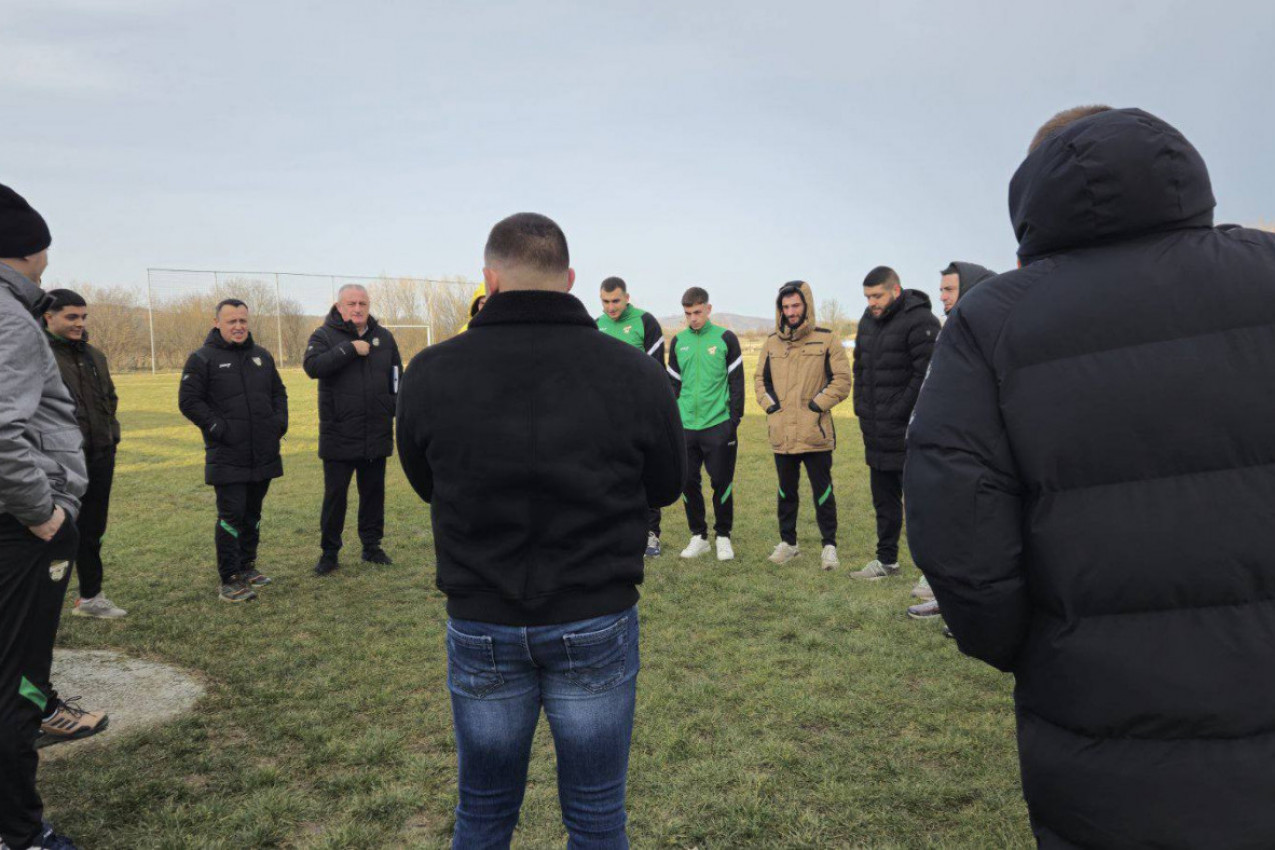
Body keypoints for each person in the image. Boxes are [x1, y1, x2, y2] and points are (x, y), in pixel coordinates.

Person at [905, 106, 1275, 849]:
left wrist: (1020, 643)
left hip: (1095, 705)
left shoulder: (992, 320)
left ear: (1033, 187)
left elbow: (956, 525)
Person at [397, 212, 685, 848]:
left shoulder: (430, 371)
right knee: (596, 815)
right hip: (593, 611)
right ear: (571, 280)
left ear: (490, 279)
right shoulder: (633, 372)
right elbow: (666, 483)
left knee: (483, 812)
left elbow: (425, 481)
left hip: (485, 614)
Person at [0, 182, 89, 850]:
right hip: (20, 530)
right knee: (20, 682)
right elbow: (4, 432)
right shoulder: (9, 319)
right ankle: (19, 832)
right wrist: (44, 514)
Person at [178, 299, 288, 603]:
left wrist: (278, 424)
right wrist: (218, 428)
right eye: (231, 321)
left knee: (253, 512)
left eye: (242, 321)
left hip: (262, 450)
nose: (238, 326)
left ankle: (247, 565)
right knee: (231, 514)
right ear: (217, 323)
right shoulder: (202, 358)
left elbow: (279, 393)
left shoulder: (262, 356)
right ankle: (229, 578)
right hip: (227, 453)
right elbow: (189, 401)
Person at [908, 261, 996, 618]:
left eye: (949, 289)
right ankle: (950, 602)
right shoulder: (953, 330)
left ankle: (973, 609)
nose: (941, 296)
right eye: (941, 289)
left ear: (971, 289)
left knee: (978, 535)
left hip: (976, 451)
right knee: (950, 532)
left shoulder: (989, 331)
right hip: (947, 448)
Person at [303, 284, 402, 576]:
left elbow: (397, 377)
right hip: (339, 434)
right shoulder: (323, 335)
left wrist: (392, 406)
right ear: (339, 306)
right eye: (351, 303)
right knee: (336, 497)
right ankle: (329, 552)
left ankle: (372, 546)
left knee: (373, 494)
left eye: (363, 303)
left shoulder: (384, 338)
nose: (358, 309)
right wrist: (349, 349)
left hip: (376, 431)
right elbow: (312, 366)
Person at [41, 290, 126, 620]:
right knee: (53, 531)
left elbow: (110, 399)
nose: (79, 323)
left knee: (93, 530)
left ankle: (90, 596)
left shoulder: (95, 356)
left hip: (100, 455)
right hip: (58, 462)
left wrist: (111, 436)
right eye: (71, 317)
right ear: (49, 317)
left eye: (83, 317)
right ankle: (39, 603)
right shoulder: (38, 354)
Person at [849, 266, 939, 581]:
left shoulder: (921, 321)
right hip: (876, 431)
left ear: (895, 291)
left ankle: (932, 572)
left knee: (921, 506)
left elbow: (926, 375)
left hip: (908, 432)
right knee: (883, 503)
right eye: (867, 297)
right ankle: (886, 561)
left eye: (877, 296)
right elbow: (859, 367)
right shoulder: (867, 320)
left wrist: (900, 409)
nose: (871, 302)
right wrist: (860, 406)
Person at [754, 281, 851, 570]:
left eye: (795, 305)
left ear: (806, 305)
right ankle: (788, 543)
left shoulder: (827, 340)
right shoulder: (771, 343)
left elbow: (842, 381)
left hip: (814, 432)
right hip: (782, 433)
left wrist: (816, 406)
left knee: (823, 492)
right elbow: (760, 380)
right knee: (786, 491)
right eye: (785, 307)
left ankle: (829, 546)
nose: (791, 311)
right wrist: (771, 406)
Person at [668, 287, 744, 561]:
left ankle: (723, 536)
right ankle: (698, 536)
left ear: (708, 309)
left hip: (718, 425)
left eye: (697, 312)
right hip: (686, 426)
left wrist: (733, 421)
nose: (693, 318)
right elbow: (673, 386)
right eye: (688, 313)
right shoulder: (678, 342)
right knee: (687, 482)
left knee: (721, 482)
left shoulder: (725, 339)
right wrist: (673, 421)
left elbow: (737, 383)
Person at [596, 276, 667, 557]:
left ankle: (651, 534)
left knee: (644, 472)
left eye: (615, 301)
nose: (610, 307)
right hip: (605, 416)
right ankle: (614, 532)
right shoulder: (596, 325)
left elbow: (656, 370)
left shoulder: (645, 322)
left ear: (627, 298)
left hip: (639, 413)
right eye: (605, 301)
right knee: (609, 475)